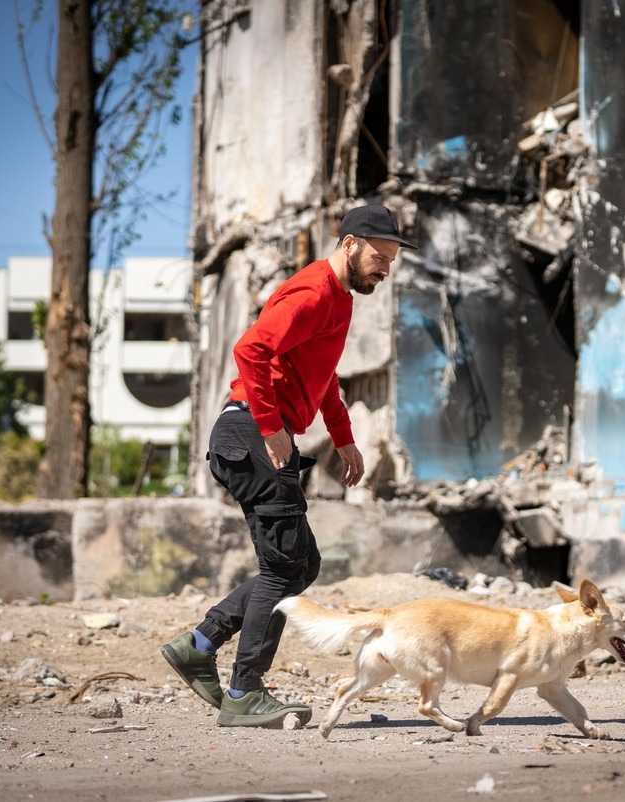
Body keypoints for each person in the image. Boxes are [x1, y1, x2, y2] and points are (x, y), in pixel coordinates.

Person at [161, 204, 418, 728]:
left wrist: (344, 439)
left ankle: (201, 644)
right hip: (251, 433)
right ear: (348, 243)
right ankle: (243, 692)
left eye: (391, 260)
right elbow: (249, 350)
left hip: (258, 434)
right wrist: (274, 426)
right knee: (285, 567)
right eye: (378, 256)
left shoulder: (340, 301)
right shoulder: (312, 292)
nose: (385, 269)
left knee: (301, 564)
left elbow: (322, 378)